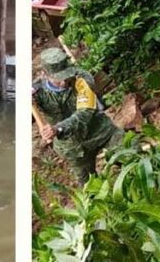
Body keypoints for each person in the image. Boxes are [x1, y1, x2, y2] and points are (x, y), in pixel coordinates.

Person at [33, 48, 123, 185]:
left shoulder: (83, 79)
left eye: (65, 76)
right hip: (73, 148)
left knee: (129, 154)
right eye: (58, 79)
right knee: (90, 188)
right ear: (44, 75)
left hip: (100, 131)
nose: (63, 82)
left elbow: (85, 113)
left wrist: (57, 128)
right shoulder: (37, 91)